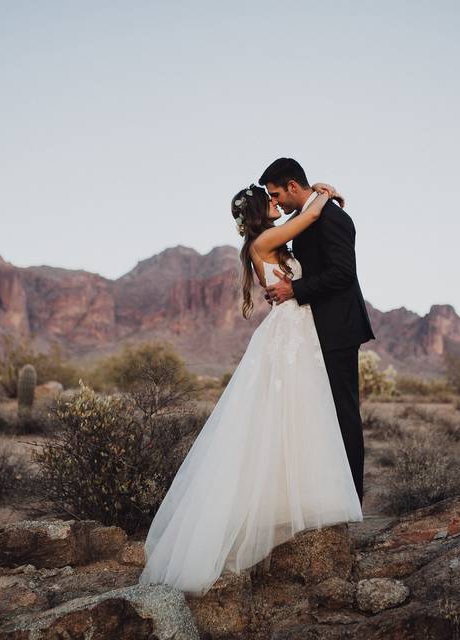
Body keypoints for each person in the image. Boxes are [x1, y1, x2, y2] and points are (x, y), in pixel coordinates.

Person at [137, 176, 363, 596]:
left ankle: (299, 500)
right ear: (262, 210)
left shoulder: (274, 243)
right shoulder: (264, 243)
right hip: (291, 333)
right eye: (272, 199)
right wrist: (323, 194)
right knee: (288, 411)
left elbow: (312, 232)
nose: (277, 202)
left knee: (302, 413)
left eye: (278, 195)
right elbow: (311, 213)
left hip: (302, 330)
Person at [260, 157, 376, 505]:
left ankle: (351, 498)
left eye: (277, 193)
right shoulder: (306, 217)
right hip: (310, 334)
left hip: (338, 329)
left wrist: (295, 289)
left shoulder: (334, 218)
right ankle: (325, 493)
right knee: (318, 414)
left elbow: (343, 273)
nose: (276, 201)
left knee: (343, 413)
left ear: (293, 186)